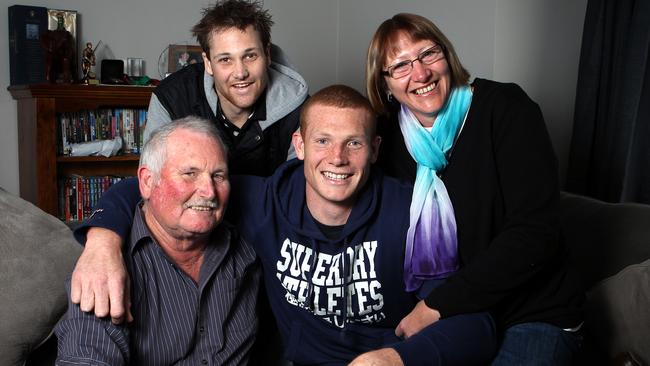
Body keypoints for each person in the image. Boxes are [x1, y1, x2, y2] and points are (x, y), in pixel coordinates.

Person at [71, 86, 497, 365]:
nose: (337, 159)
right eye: (322, 141)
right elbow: (154, 188)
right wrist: (103, 241)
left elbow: (475, 324)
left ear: (374, 149)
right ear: (299, 145)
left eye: (354, 143)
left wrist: (396, 359)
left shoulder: (412, 213)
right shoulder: (261, 200)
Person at [364, 13, 584, 365]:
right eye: (400, 66)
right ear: (385, 84)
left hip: (530, 313)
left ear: (447, 55)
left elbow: (535, 233)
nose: (420, 74)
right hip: (458, 318)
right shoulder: (386, 141)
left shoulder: (506, 108)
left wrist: (435, 306)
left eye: (428, 54)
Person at [56, 117, 260, 364]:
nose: (209, 191)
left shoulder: (244, 251)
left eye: (218, 175)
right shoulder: (104, 270)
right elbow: (86, 356)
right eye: (189, 173)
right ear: (147, 182)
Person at [147, 0, 308, 177]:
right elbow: (155, 185)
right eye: (225, 59)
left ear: (267, 55)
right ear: (208, 63)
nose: (240, 73)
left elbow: (297, 192)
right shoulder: (171, 98)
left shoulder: (300, 110)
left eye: (250, 56)